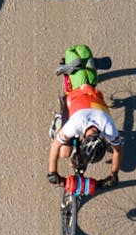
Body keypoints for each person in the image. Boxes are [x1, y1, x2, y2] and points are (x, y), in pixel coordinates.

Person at [47, 44, 123, 187]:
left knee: (64, 149)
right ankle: (57, 122)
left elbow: (118, 150)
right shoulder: (75, 125)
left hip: (90, 96)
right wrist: (52, 172)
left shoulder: (108, 126)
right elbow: (55, 145)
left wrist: (114, 174)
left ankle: (87, 65)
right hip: (75, 96)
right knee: (64, 152)